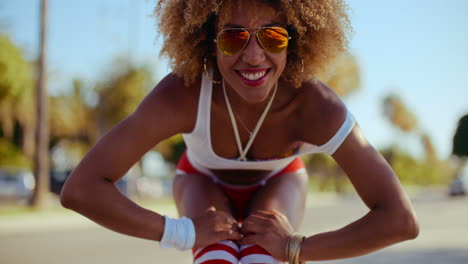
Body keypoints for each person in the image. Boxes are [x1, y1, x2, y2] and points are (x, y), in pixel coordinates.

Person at [60, 0, 419, 263]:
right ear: (208, 41)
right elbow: (81, 189)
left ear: (294, 41)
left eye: (273, 37)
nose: (253, 56)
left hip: (282, 183)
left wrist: (297, 248)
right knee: (216, 257)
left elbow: (400, 220)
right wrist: (181, 233)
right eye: (233, 38)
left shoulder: (316, 106)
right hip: (200, 180)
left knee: (262, 258)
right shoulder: (182, 94)